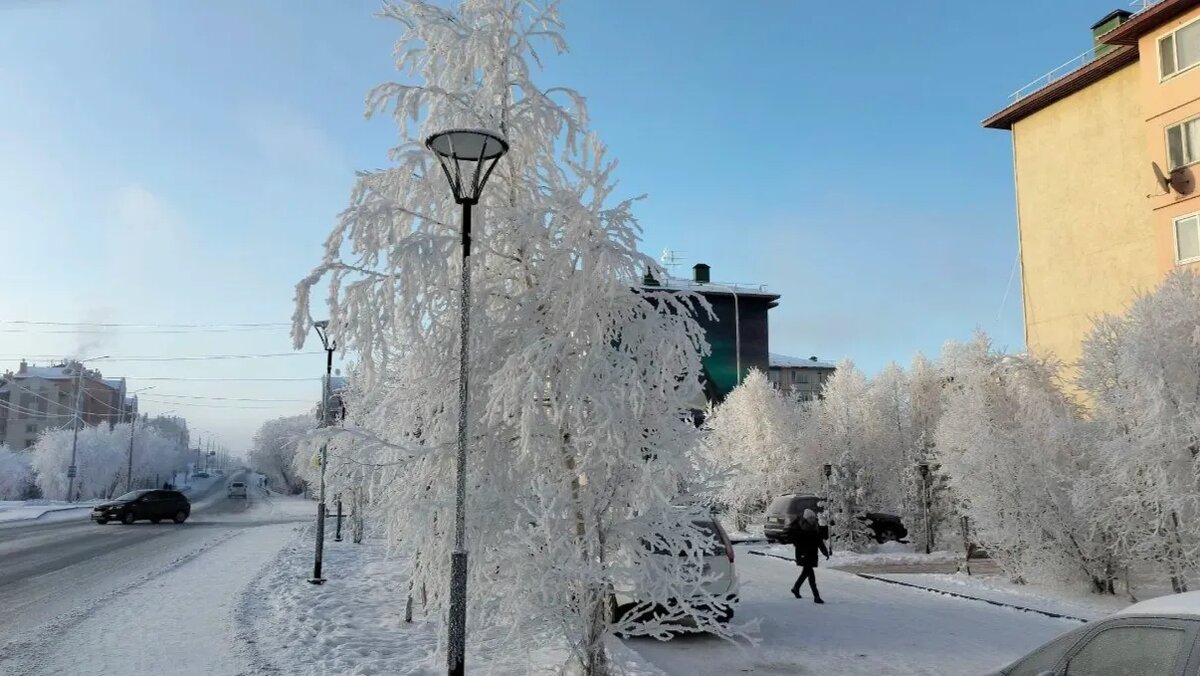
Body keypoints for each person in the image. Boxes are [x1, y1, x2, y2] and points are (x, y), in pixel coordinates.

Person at [790, 508, 830, 603]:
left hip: (812, 554)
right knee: (811, 575)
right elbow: (797, 543)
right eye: (810, 518)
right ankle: (816, 596)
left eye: (813, 517)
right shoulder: (801, 528)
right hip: (804, 555)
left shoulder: (815, 528)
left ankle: (796, 588)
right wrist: (802, 553)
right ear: (806, 518)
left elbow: (819, 542)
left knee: (805, 573)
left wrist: (825, 552)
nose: (812, 519)